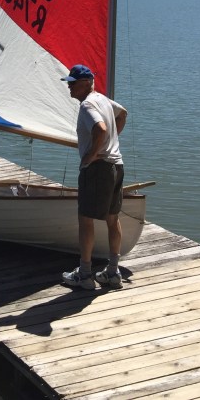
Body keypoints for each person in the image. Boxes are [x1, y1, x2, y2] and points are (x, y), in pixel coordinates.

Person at [60, 64, 127, 291]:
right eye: (69, 82)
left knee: (85, 220)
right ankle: (113, 272)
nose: (69, 86)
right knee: (112, 219)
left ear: (87, 83)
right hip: (117, 165)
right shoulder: (103, 100)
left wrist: (91, 155)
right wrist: (111, 144)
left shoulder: (88, 104)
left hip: (99, 169)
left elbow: (100, 129)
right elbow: (123, 114)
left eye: (73, 83)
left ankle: (85, 274)